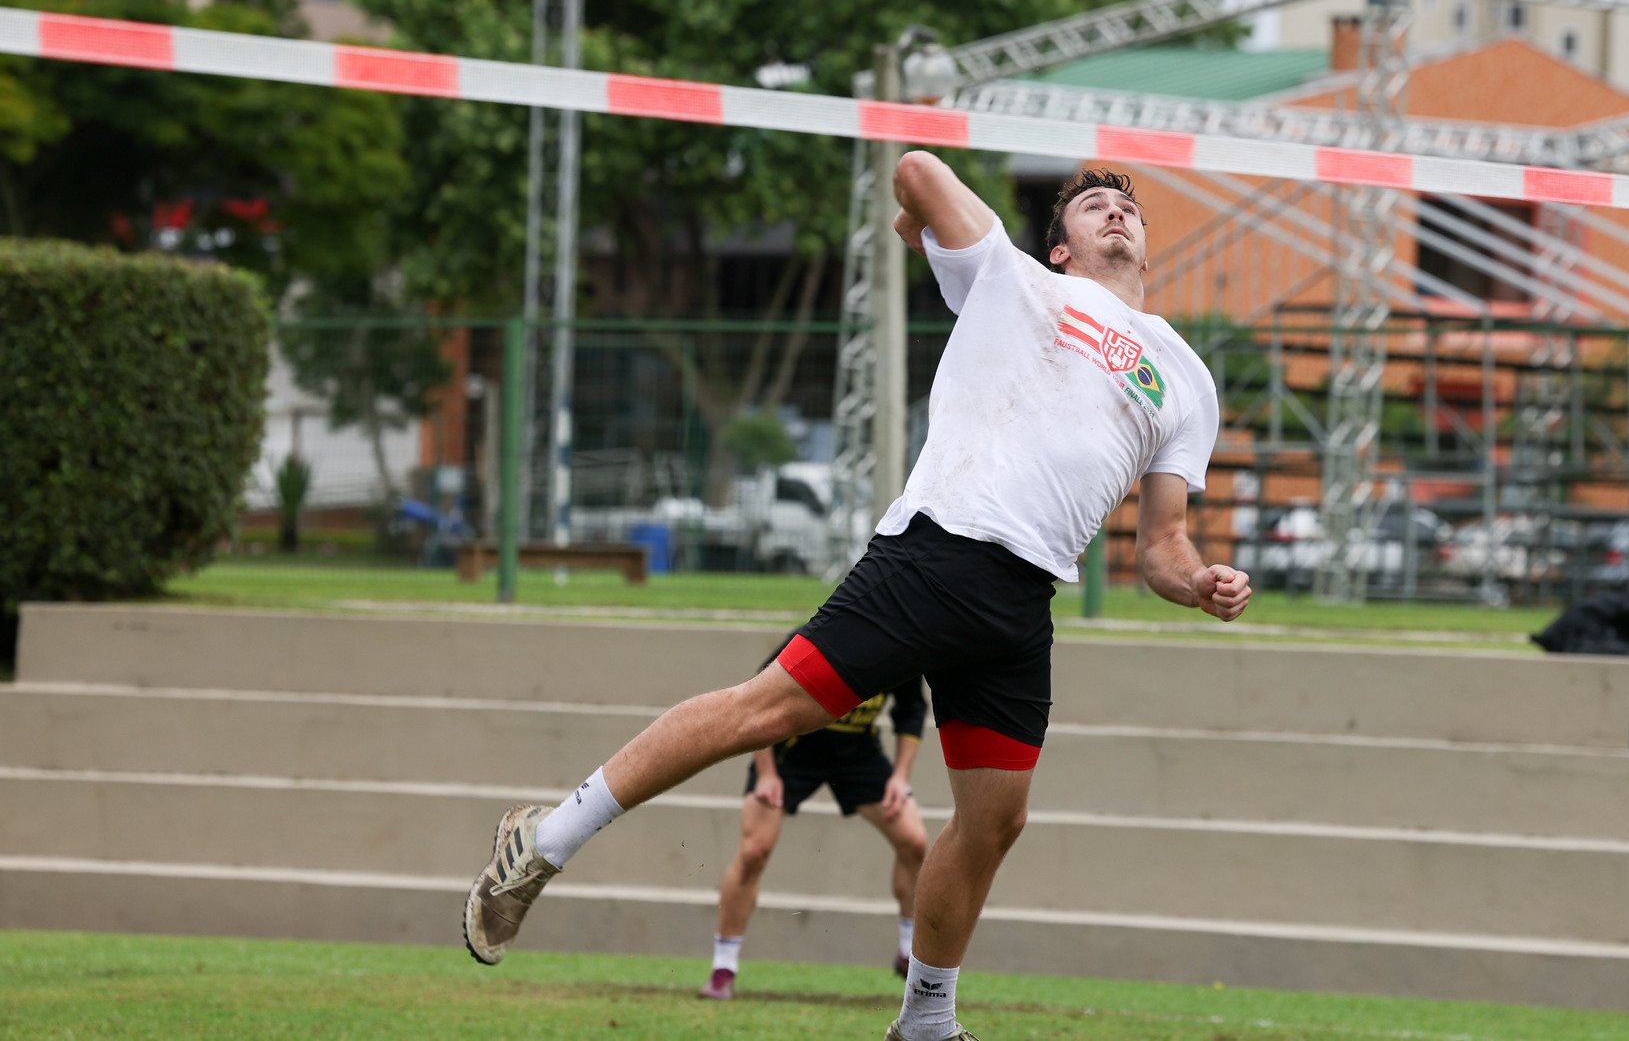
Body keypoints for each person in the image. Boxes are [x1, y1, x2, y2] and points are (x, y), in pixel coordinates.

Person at [462, 157, 1251, 1041]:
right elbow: (913, 169)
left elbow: (1160, 544)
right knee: (764, 711)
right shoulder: (1008, 277)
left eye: (1129, 208)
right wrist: (925, 230)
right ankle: (543, 840)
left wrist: (1201, 583)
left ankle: (925, 1022)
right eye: (1094, 207)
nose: (1117, 214)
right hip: (940, 550)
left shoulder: (1184, 377)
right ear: (1060, 249)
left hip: (1022, 602)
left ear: (1147, 240)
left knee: (996, 820)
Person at [700, 632, 929, 1000]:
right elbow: (758, 697)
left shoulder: (901, 646)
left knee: (914, 841)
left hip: (857, 755)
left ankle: (908, 952)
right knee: (753, 852)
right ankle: (723, 968)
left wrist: (900, 777)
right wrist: (767, 772)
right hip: (790, 750)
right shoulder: (824, 633)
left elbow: (912, 711)